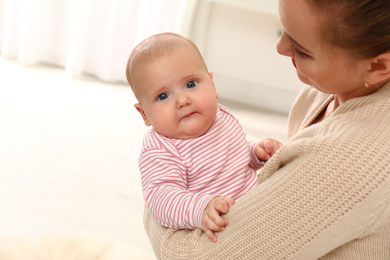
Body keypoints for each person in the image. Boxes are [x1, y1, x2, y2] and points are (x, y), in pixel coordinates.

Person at [141, 0, 390, 259]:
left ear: (377, 66)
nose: (280, 47)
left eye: (302, 50)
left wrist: (159, 200)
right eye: (284, 29)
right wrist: (254, 154)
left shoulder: (355, 159)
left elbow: (195, 254)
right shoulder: (325, 90)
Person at [126, 33, 283, 243]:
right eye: (163, 96)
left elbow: (230, 159)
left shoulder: (221, 118)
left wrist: (255, 153)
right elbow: (160, 198)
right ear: (145, 114)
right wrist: (201, 210)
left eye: (191, 84)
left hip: (261, 212)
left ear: (212, 85)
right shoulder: (161, 149)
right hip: (222, 232)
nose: (182, 100)